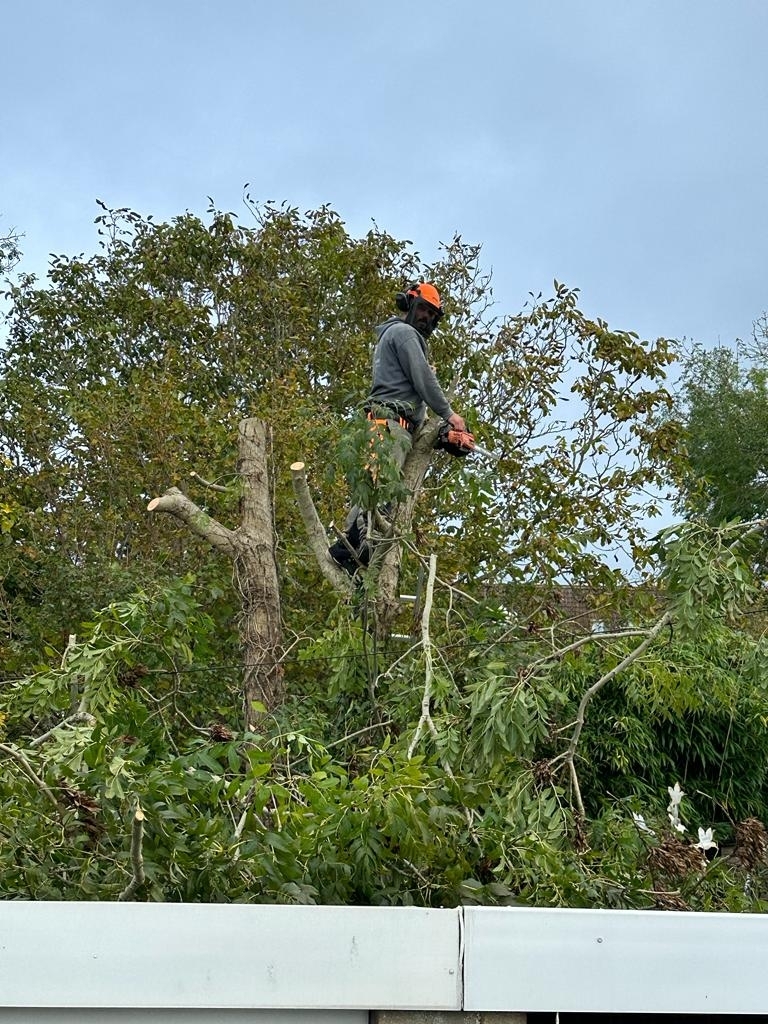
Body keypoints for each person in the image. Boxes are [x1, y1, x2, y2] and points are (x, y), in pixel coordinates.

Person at [328, 283, 467, 574]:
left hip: (391, 425)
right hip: (389, 426)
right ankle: (353, 549)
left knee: (372, 492)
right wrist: (449, 415)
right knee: (381, 494)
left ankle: (353, 556)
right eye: (424, 310)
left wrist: (439, 437)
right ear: (410, 305)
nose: (427, 318)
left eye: (433, 314)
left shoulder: (395, 337)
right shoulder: (404, 334)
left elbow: (411, 389)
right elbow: (423, 382)